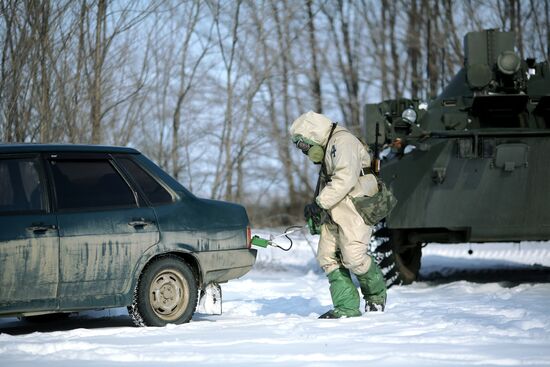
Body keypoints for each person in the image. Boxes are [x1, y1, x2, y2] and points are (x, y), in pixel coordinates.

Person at [290, 111, 387, 319]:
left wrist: (320, 203)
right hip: (336, 206)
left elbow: (345, 177)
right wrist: (316, 206)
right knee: (326, 255)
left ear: (313, 134)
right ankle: (346, 307)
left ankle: (376, 297)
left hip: (355, 204)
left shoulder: (342, 142)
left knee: (353, 257)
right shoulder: (329, 146)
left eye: (304, 145)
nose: (304, 151)